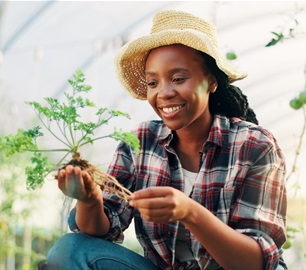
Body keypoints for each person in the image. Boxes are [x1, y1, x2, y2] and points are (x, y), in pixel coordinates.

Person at [47, 10, 287, 270]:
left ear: (211, 82)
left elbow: (256, 264)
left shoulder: (254, 146)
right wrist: (90, 199)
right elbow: (100, 230)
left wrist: (189, 212)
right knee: (70, 250)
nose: (164, 93)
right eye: (153, 82)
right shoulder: (140, 143)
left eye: (178, 79)